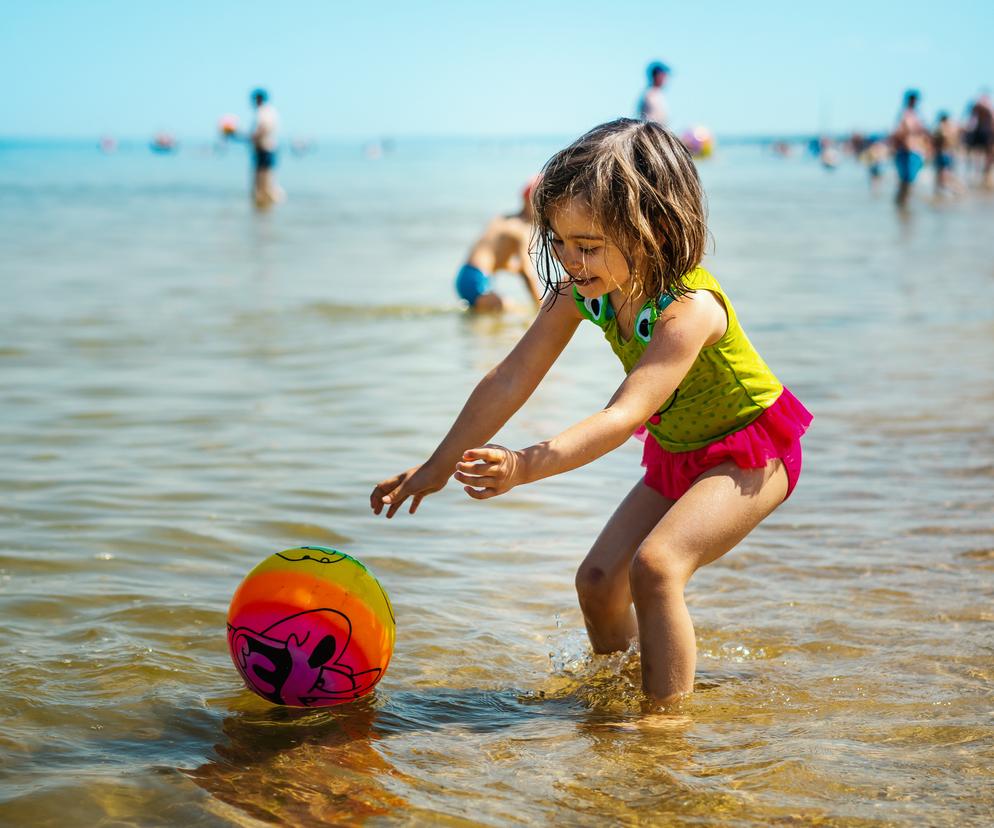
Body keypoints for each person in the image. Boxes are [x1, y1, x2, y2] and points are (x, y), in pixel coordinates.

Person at [371, 119, 813, 707]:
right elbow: (510, 377)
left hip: (753, 451)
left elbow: (625, 414)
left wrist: (523, 466)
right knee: (600, 581)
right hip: (681, 452)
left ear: (651, 230)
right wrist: (437, 464)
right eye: (558, 241)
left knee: (657, 568)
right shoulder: (585, 290)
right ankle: (625, 691)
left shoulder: (690, 310)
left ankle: (662, 732)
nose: (571, 262)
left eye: (588, 246)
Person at [454, 178, 544, 312]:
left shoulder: (502, 219)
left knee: (484, 318)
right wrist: (541, 307)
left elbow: (495, 256)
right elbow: (527, 272)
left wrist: (515, 269)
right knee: (511, 310)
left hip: (466, 274)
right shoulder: (521, 230)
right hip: (478, 278)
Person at [891, 89, 929, 208]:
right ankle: (902, 209)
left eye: (915, 100)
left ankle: (902, 207)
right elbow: (898, 133)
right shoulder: (905, 115)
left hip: (914, 151)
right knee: (905, 182)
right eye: (912, 100)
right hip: (905, 151)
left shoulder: (916, 115)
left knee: (908, 183)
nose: (914, 102)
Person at [249, 88, 284, 207]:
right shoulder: (271, 111)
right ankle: (265, 205)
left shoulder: (263, 111)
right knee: (268, 173)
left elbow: (263, 128)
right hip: (271, 146)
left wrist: (253, 137)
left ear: (259, 99)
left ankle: (263, 201)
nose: (254, 102)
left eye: (255, 99)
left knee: (262, 175)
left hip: (264, 147)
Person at [932, 112, 962, 197]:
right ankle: (945, 191)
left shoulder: (941, 128)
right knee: (944, 173)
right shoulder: (947, 128)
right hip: (945, 153)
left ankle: (943, 191)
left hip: (943, 153)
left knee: (942, 174)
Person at [638, 62, 670, 127]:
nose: (664, 79)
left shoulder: (658, 93)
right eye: (662, 76)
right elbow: (646, 118)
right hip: (652, 131)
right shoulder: (650, 94)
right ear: (656, 77)